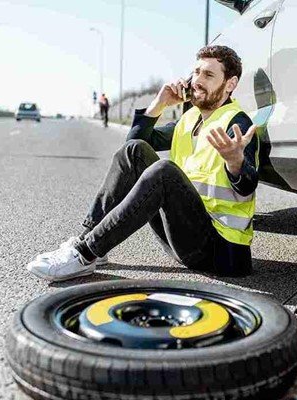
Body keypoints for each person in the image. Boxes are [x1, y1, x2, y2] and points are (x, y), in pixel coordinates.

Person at [27, 45, 259, 281]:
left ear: (229, 84)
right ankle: (87, 241)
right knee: (135, 151)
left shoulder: (237, 123)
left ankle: (85, 254)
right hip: (181, 236)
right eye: (196, 72)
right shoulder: (189, 120)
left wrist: (235, 162)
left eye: (208, 75)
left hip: (219, 250)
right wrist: (159, 103)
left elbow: (246, 185)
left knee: (164, 171)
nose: (197, 80)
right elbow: (132, 145)